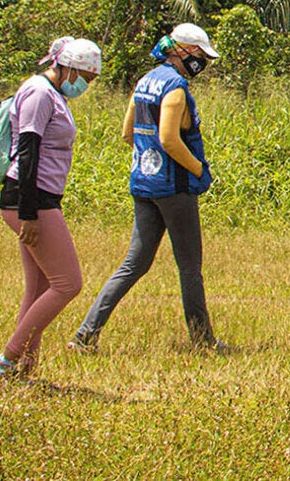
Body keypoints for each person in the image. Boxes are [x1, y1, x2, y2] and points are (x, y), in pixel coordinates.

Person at [70, 23, 226, 353]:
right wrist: (199, 169)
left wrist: (148, 161)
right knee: (190, 268)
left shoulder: (145, 81)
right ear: (185, 52)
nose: (202, 62)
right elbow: (169, 139)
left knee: (134, 264)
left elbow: (128, 134)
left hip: (144, 184)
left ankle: (86, 335)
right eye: (200, 55)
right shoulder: (176, 87)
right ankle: (203, 342)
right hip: (175, 189)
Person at [0, 36, 102, 379]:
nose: (85, 85)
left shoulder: (55, 94)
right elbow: (28, 150)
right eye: (84, 77)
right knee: (68, 284)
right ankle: (5, 362)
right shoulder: (39, 93)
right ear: (67, 68)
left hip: (41, 197)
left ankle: (24, 368)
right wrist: (29, 213)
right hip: (31, 197)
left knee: (38, 288)